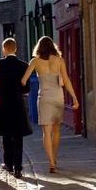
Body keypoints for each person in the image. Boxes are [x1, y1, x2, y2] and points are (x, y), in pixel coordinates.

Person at [22, 35, 79, 173]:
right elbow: (67, 80)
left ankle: (51, 162)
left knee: (46, 132)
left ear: (39, 48)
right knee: (56, 130)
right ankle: (54, 156)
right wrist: (74, 98)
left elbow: (24, 80)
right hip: (58, 97)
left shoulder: (35, 61)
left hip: (44, 98)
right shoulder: (59, 61)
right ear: (53, 47)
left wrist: (26, 87)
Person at [0, 38, 32, 178]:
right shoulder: (24, 65)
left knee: (6, 135)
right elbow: (26, 88)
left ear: (4, 49)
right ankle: (18, 168)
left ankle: (8, 164)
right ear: (15, 49)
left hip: (3, 102)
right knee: (18, 136)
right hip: (17, 102)